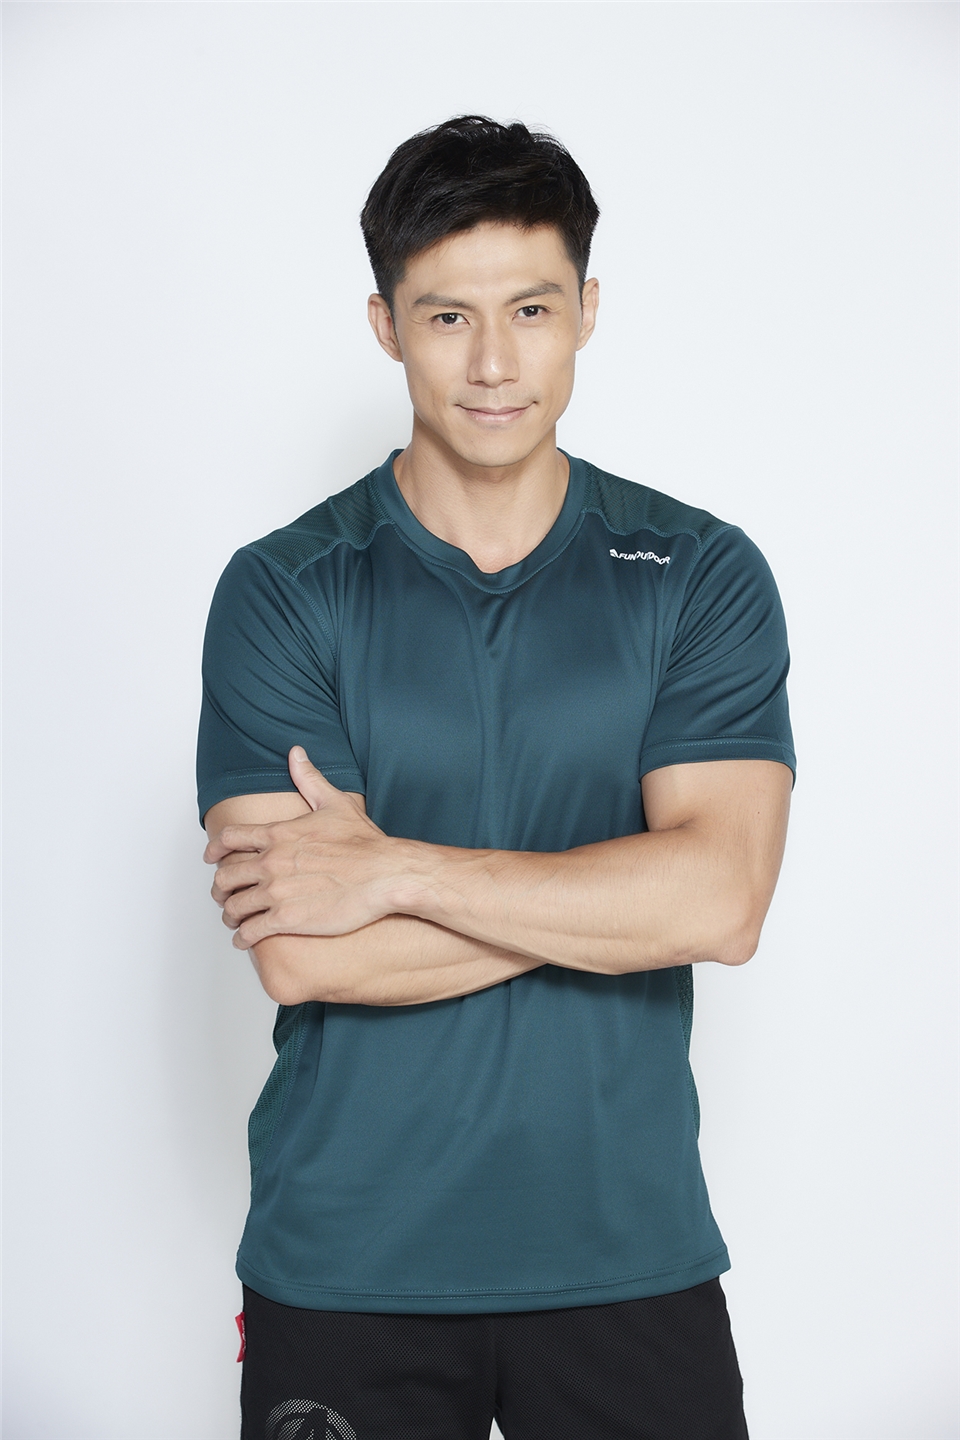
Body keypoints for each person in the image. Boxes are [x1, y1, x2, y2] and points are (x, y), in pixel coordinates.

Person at [198, 115, 795, 1440]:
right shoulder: (285, 591)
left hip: (628, 1258)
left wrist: (396, 872)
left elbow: (720, 905)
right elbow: (300, 952)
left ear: (587, 310)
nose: (493, 363)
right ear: (384, 325)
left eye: (530, 309)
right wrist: (617, 903)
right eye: (446, 317)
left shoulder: (697, 574)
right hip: (347, 1264)